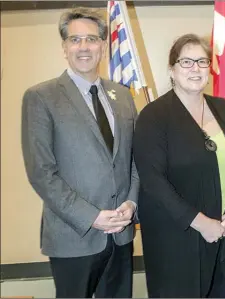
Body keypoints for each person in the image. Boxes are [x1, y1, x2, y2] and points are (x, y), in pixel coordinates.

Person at [21, 7, 139, 298]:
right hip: (73, 237)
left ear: (102, 44)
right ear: (64, 47)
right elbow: (41, 173)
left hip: (121, 236)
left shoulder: (122, 96)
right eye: (75, 40)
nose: (83, 47)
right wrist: (91, 216)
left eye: (91, 39)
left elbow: (134, 161)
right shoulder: (41, 97)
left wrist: (132, 203)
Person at [133, 33, 225, 298]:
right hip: (177, 239)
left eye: (202, 61)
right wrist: (200, 223)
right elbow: (153, 181)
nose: (196, 69)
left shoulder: (224, 109)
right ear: (172, 70)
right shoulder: (154, 116)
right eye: (186, 62)